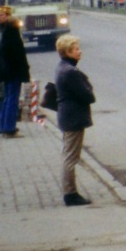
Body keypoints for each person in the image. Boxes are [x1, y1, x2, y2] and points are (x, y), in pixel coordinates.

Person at [55, 35, 95, 206]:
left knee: (69, 155)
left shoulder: (63, 67)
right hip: (73, 117)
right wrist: (88, 88)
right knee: (71, 157)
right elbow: (88, 96)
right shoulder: (70, 72)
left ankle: (70, 191)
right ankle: (70, 193)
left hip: (68, 115)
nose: (80, 51)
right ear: (68, 51)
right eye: (77, 48)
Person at [0, 7, 32, 137]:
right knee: (12, 100)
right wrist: (25, 73)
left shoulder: (5, 36)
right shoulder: (14, 38)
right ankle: (10, 128)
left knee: (7, 99)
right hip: (14, 73)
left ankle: (4, 125)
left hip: (6, 73)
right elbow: (20, 58)